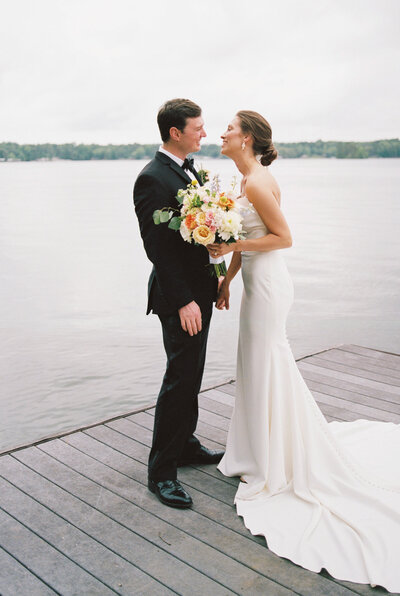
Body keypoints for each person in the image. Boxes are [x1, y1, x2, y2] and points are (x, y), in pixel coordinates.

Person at [208, 110, 400, 592]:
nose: (223, 133)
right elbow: (243, 241)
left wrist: (230, 248)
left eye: (230, 128)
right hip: (254, 281)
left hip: (270, 284)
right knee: (255, 365)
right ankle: (258, 449)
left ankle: (274, 457)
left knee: (267, 361)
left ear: (246, 138)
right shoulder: (245, 178)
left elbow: (282, 238)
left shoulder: (255, 183)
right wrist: (226, 279)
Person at [133, 98, 223, 510]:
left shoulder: (190, 172)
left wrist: (215, 266)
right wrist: (186, 300)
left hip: (200, 290)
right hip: (178, 298)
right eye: (198, 127)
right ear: (176, 132)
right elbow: (159, 250)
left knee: (192, 374)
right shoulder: (153, 178)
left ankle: (185, 445)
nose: (205, 133)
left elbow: (193, 238)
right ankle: (161, 473)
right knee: (179, 378)